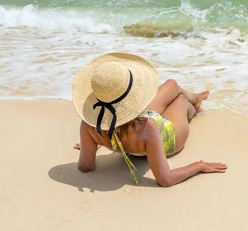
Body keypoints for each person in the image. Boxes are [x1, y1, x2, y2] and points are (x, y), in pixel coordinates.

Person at [72, 52, 227, 187]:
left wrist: (94, 142)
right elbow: (166, 179)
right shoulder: (148, 126)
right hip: (167, 138)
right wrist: (199, 165)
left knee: (171, 84)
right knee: (181, 101)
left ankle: (196, 97)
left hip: (129, 125)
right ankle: (194, 102)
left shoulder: (90, 124)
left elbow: (85, 167)